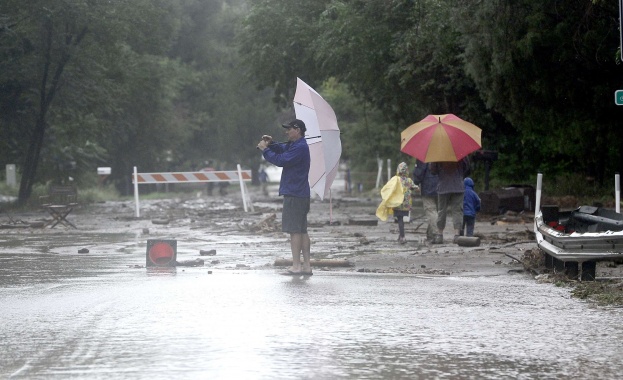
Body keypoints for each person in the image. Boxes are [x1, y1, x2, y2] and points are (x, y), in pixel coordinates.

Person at [257, 119, 312, 275]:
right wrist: (272, 143)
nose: (286, 132)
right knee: (302, 231)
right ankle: (307, 266)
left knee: (295, 231)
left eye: (289, 129)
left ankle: (296, 266)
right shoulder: (296, 145)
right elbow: (283, 149)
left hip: (294, 194)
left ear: (297, 130)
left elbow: (282, 160)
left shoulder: (300, 147)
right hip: (300, 193)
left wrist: (265, 150)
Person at [431, 157, 470, 244]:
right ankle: (457, 235)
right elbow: (467, 168)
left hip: (443, 186)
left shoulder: (438, 153)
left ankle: (440, 235)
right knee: (457, 211)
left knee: (441, 211)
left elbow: (433, 171)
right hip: (458, 186)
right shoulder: (460, 153)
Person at [412, 159, 440, 244]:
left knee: (431, 211)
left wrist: (414, 183)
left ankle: (437, 234)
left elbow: (419, 172)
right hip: (442, 186)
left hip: (428, 187)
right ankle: (431, 234)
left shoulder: (424, 156)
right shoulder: (442, 154)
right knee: (437, 211)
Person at [393, 162, 417, 244]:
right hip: (406, 204)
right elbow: (415, 187)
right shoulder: (409, 180)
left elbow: (391, 188)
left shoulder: (396, 180)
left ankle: (402, 236)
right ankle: (401, 235)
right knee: (402, 219)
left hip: (398, 203)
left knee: (399, 219)